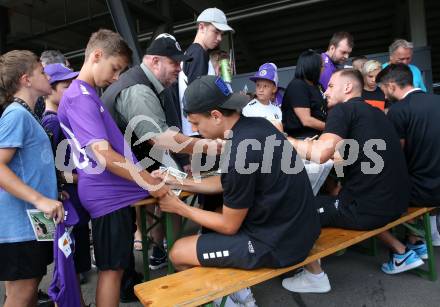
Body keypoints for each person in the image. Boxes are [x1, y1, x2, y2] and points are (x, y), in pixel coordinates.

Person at [155, 75, 320, 306]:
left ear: (215, 115)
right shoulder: (257, 126)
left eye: (195, 122)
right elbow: (227, 182)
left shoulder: (239, 152)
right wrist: (178, 182)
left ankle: (236, 302)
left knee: (178, 253)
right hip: (302, 231)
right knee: (207, 232)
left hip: (279, 244)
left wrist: (179, 207)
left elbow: (228, 225)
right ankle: (240, 294)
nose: (193, 128)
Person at [57, 29, 169, 307]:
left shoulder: (86, 94)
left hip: (112, 192)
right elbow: (104, 154)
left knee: (116, 268)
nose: (116, 77)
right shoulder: (81, 96)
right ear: (96, 56)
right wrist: (146, 179)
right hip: (107, 196)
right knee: (111, 270)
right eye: (115, 68)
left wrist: (143, 176)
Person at [283, 69, 420, 293]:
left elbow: (320, 154)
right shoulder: (377, 113)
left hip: (369, 210)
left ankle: (313, 276)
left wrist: (285, 139)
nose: (325, 92)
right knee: (331, 196)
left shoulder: (343, 110)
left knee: (294, 209)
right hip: (398, 203)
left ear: (347, 88)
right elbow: (357, 153)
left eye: (330, 86)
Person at [101, 33, 200, 272]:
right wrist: (207, 146)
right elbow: (160, 137)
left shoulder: (151, 84)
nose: (179, 68)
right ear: (155, 61)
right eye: (174, 62)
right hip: (118, 177)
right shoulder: (138, 90)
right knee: (176, 192)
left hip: (132, 166)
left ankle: (163, 250)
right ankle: (178, 259)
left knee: (175, 187)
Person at [0, 50, 64, 307]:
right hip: (20, 225)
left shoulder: (26, 114)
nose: (47, 75)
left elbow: (27, 166)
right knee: (22, 294)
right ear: (26, 79)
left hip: (29, 223)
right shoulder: (16, 115)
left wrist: (51, 191)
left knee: (27, 290)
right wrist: (40, 200)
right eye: (41, 71)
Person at [41, 63, 91, 306]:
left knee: (74, 261)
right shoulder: (51, 123)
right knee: (68, 261)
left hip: (73, 198)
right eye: (65, 85)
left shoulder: (59, 118)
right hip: (68, 199)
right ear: (49, 90)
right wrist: (83, 177)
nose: (70, 88)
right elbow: (53, 167)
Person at [377, 63, 440, 247]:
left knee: (378, 191)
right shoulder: (437, 100)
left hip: (422, 192)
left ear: (391, 86)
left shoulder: (397, 111)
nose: (384, 95)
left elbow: (396, 156)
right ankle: (431, 231)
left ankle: (415, 240)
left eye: (383, 89)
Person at [177, 7, 234, 136]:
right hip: (201, 132)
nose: (219, 38)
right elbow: (199, 98)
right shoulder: (198, 53)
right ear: (202, 27)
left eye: (222, 34)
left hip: (197, 130)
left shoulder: (193, 52)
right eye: (216, 32)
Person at [282, 49, 327, 138]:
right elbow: (306, 120)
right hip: (302, 138)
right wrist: (331, 128)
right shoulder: (297, 85)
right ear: (313, 67)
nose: (324, 69)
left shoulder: (318, 85)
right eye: (322, 66)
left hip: (319, 134)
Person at [242, 62, 282, 131]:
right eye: (258, 85)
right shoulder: (249, 108)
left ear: (274, 89)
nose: (261, 90)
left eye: (265, 86)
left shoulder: (277, 109)